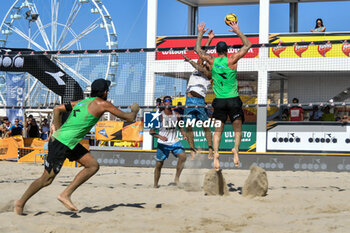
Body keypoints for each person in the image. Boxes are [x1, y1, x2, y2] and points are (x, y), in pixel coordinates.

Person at [14, 79, 140, 215]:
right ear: (104, 92)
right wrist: (134, 110)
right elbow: (129, 118)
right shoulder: (102, 104)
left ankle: (65, 194)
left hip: (69, 142)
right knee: (46, 179)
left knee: (92, 165)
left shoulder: (82, 102)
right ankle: (20, 203)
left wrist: (57, 129)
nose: (107, 92)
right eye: (107, 90)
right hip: (62, 142)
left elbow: (57, 109)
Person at [194, 21, 252, 170]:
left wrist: (201, 33)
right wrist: (238, 31)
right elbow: (247, 45)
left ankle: (217, 153)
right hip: (233, 100)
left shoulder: (212, 61)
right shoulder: (232, 60)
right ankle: (236, 150)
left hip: (219, 101)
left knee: (217, 131)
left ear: (216, 50)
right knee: (237, 129)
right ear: (227, 50)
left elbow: (197, 49)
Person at [181, 29, 214, 160]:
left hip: (200, 102)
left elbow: (201, 65)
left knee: (205, 126)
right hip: (189, 101)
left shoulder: (209, 74)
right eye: (203, 61)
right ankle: (192, 149)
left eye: (206, 63)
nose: (204, 62)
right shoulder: (197, 68)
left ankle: (210, 149)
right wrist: (209, 38)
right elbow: (201, 53)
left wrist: (189, 60)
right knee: (188, 126)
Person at [150, 96, 187, 188]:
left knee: (183, 157)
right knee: (159, 165)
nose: (168, 103)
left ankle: (176, 178)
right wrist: (160, 136)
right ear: (163, 103)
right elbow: (151, 132)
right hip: (163, 144)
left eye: (170, 101)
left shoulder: (177, 114)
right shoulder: (159, 116)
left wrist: (183, 134)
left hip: (174, 141)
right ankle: (155, 184)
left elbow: (181, 126)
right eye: (166, 101)